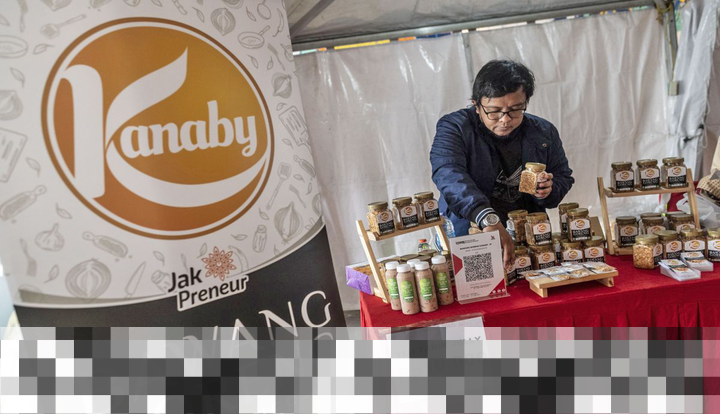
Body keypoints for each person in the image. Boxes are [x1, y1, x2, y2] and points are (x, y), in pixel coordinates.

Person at [430, 60, 574, 268]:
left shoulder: (543, 131)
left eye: (515, 110)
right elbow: (448, 174)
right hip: (469, 230)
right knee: (480, 283)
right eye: (494, 111)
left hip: (526, 236)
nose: (505, 120)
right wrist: (486, 217)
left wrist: (548, 190)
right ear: (476, 105)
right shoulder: (455, 127)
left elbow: (562, 175)